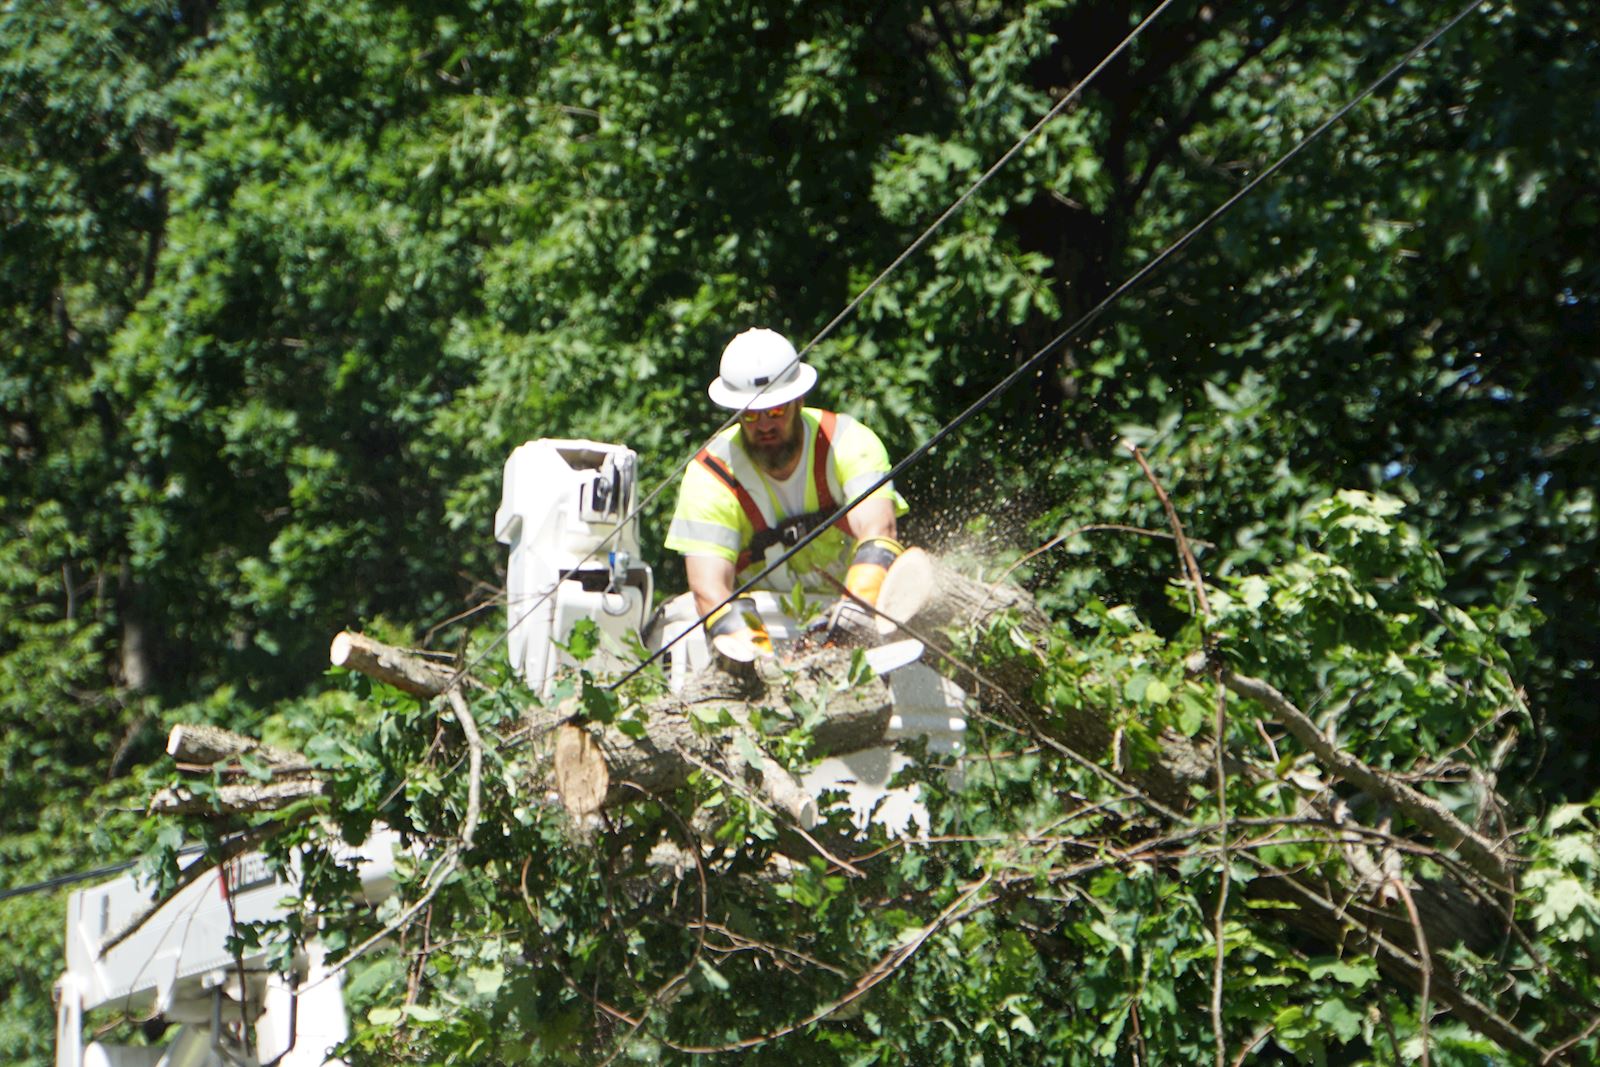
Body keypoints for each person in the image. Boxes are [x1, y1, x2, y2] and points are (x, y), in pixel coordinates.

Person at [665, 327, 909, 660]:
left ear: (798, 400)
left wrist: (853, 617)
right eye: (750, 414)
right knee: (684, 618)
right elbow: (710, 589)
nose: (764, 425)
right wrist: (759, 660)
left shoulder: (847, 442)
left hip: (854, 609)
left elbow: (880, 532)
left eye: (776, 411)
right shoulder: (711, 475)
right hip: (761, 618)